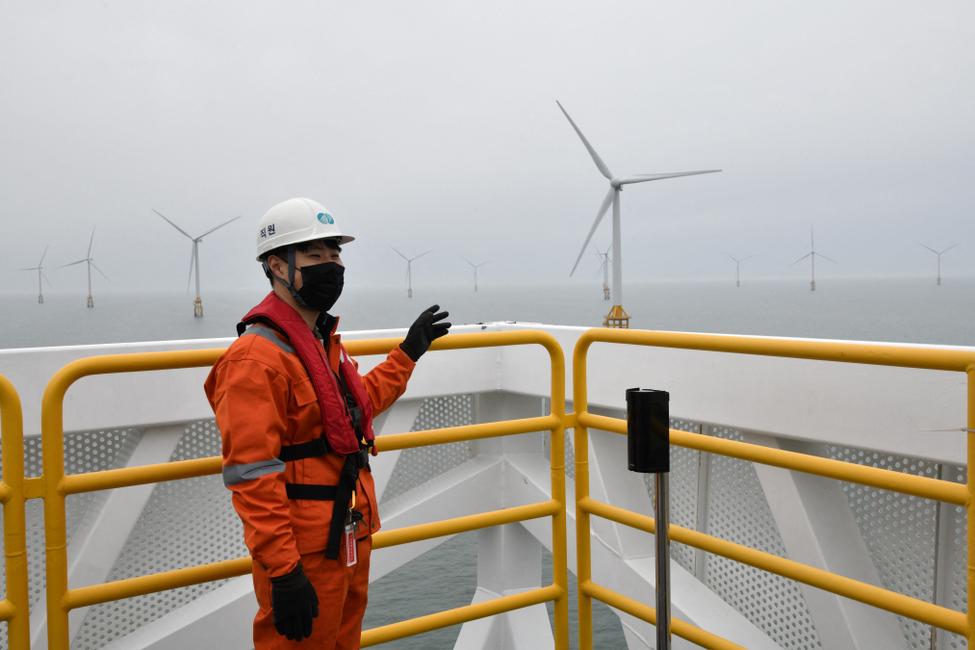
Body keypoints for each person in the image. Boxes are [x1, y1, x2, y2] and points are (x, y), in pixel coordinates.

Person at [204, 197, 450, 649]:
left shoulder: (320, 343)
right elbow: (252, 475)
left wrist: (408, 353)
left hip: (348, 532)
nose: (332, 266)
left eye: (335, 255)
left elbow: (353, 411)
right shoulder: (254, 361)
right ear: (278, 266)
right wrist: (284, 570)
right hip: (304, 550)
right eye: (315, 256)